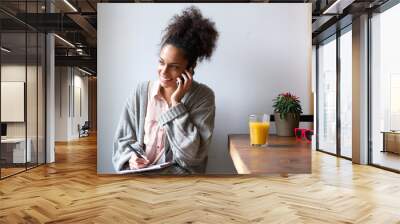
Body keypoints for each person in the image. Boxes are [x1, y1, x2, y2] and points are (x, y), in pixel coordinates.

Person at [112, 6, 219, 174]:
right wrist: (131, 159)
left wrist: (176, 105)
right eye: (161, 62)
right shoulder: (140, 92)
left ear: (190, 68)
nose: (164, 72)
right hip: (140, 179)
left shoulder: (203, 97)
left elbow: (192, 157)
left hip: (178, 186)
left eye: (174, 67)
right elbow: (122, 142)